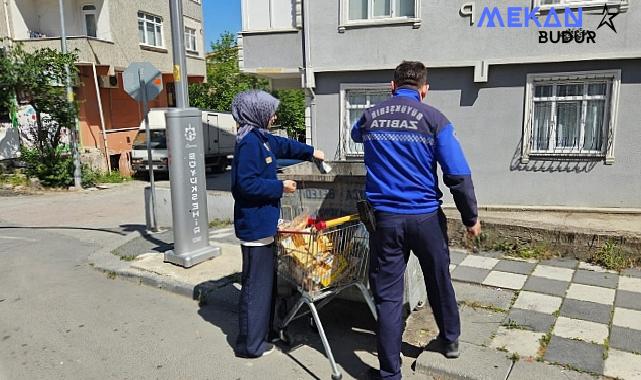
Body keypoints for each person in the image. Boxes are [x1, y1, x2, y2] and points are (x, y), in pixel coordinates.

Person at [351, 61, 481, 380]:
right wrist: (470, 217)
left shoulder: (371, 116)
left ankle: (390, 373)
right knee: (438, 279)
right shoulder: (435, 118)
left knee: (389, 296)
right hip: (426, 220)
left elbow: (355, 133)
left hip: (386, 222)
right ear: (425, 89)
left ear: (392, 86)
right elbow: (458, 175)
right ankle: (450, 341)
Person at [231, 90, 325, 358]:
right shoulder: (248, 142)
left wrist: (311, 152)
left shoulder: (261, 138)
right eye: (270, 110)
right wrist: (279, 186)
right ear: (257, 113)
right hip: (255, 227)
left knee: (265, 285)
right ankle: (250, 344)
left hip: (264, 224)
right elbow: (244, 185)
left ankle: (265, 333)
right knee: (255, 287)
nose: (274, 116)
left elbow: (284, 146)